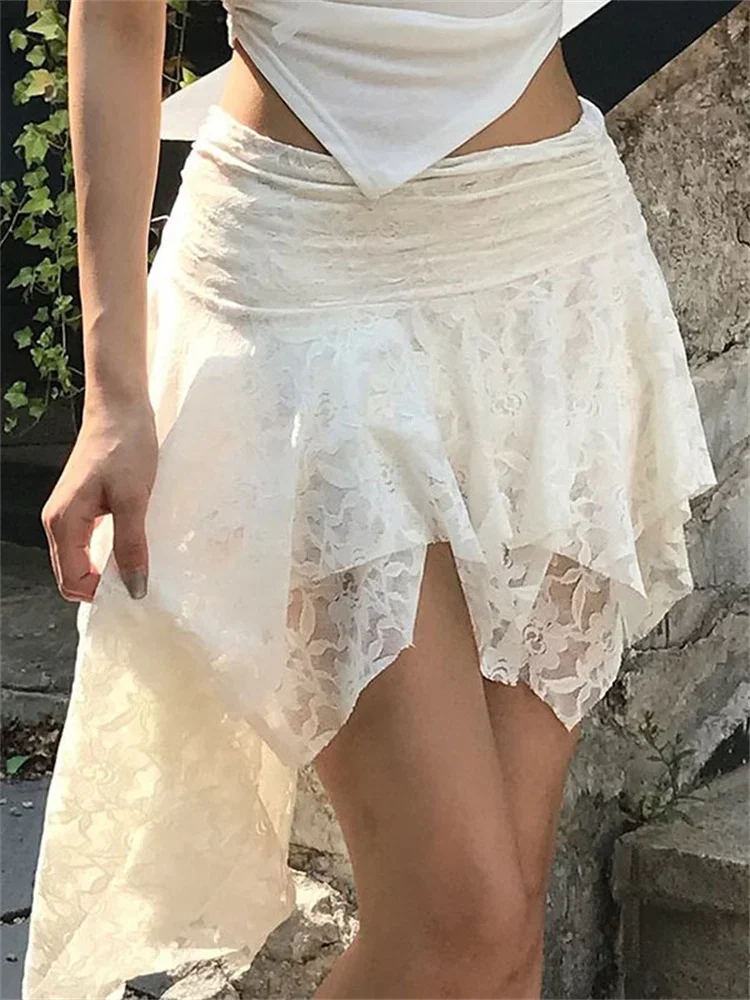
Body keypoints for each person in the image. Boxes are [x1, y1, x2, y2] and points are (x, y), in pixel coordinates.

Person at [23, 2, 718, 999]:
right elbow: (119, 22)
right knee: (459, 920)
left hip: (549, 269)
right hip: (302, 287)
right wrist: (114, 395)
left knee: (506, 933)